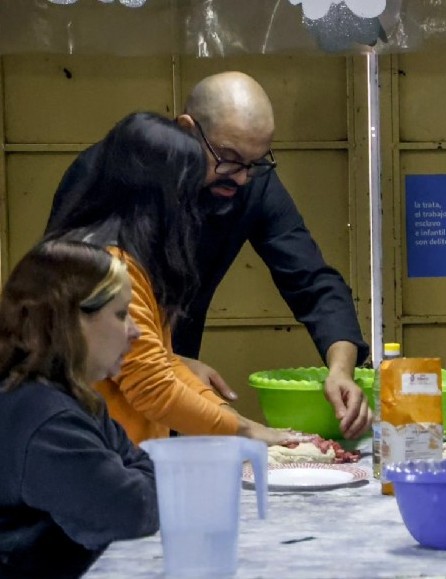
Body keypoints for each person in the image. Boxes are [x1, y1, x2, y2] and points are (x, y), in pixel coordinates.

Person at [47, 72, 370, 439]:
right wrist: (249, 431)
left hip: (166, 391)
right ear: (187, 130)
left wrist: (340, 370)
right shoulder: (111, 198)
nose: (242, 179)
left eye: (255, 163)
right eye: (229, 159)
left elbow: (313, 281)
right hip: (97, 401)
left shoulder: (248, 181)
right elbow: (72, 310)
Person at [46, 111, 291, 447]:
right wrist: (244, 432)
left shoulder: (125, 257)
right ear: (159, 193)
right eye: (189, 188)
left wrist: (232, 418)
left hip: (125, 458)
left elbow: (160, 361)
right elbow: (152, 384)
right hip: (99, 461)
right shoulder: (107, 266)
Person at [0, 240, 158, 578]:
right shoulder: (45, 421)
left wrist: (139, 478)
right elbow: (132, 510)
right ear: (72, 319)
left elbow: (137, 466)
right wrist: (148, 481)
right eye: (120, 314)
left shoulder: (68, 398)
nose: (135, 331)